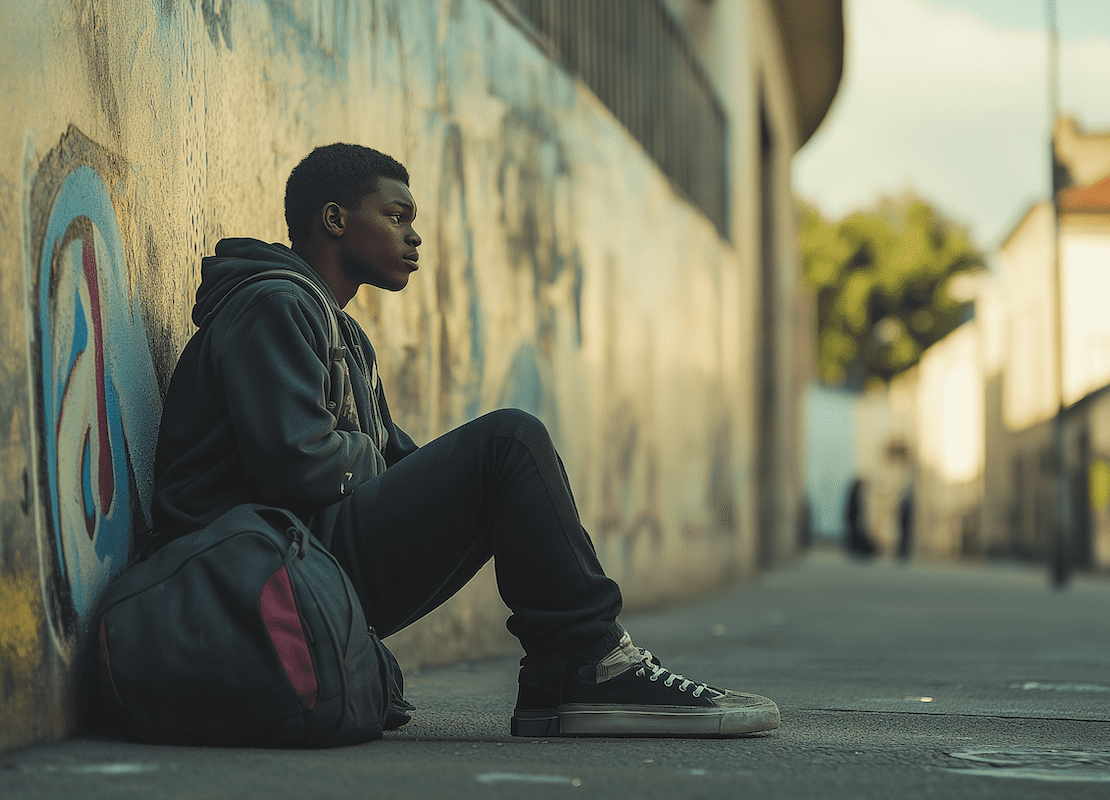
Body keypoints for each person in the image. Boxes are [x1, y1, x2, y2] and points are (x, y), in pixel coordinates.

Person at [150, 143, 779, 738]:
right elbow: (300, 467)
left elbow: (400, 463)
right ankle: (590, 665)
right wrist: (381, 458)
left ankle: (567, 673)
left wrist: (482, 497)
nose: (413, 235)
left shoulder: (342, 336)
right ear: (335, 219)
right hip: (253, 569)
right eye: (395, 216)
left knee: (506, 462)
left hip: (309, 552)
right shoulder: (273, 306)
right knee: (509, 440)